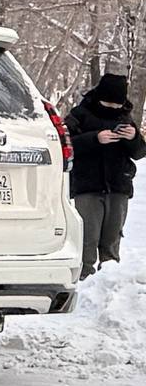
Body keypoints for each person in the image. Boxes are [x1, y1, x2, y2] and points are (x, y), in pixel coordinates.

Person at [65, 71, 139, 276]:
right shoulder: (80, 114)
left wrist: (133, 137)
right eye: (109, 105)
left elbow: (140, 152)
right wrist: (95, 138)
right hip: (88, 186)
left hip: (118, 186)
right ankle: (84, 280)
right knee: (87, 239)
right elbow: (65, 143)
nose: (113, 109)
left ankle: (110, 282)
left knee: (112, 239)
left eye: (117, 106)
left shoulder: (125, 117)